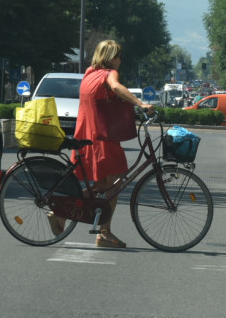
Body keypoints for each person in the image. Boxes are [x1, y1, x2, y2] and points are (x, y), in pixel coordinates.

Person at [53, 39, 154, 248]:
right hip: (102, 139)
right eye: (118, 56)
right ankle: (104, 232)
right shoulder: (109, 74)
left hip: (86, 137)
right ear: (111, 58)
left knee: (102, 186)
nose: (120, 60)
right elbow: (116, 87)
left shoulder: (89, 73)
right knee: (116, 182)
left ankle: (60, 212)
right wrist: (140, 103)